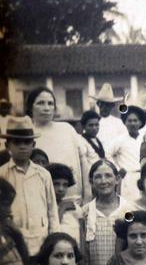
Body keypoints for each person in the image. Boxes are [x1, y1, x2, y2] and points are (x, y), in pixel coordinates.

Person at [0, 116, 60, 256]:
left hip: (41, 244)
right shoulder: (2, 174)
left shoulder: (43, 174)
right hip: (12, 247)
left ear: (33, 145)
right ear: (7, 145)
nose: (22, 146)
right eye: (17, 142)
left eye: (27, 142)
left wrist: (54, 242)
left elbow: (52, 211)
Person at [26, 87, 89, 201]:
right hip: (41, 200)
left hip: (74, 199)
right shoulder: (27, 134)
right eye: (41, 103)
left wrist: (87, 195)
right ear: (30, 107)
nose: (46, 108)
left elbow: (83, 161)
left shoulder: (67, 129)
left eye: (50, 104)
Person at [82, 160, 122, 265]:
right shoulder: (85, 212)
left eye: (108, 176)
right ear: (91, 182)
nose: (104, 181)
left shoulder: (128, 210)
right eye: (98, 177)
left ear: (117, 179)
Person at [107, 101, 146, 200]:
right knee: (129, 206)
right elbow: (107, 154)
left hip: (144, 176)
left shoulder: (145, 138)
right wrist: (118, 168)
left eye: (135, 120)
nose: (132, 123)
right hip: (128, 178)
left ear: (140, 122)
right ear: (125, 122)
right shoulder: (120, 139)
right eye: (129, 120)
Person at [45, 163, 81, 250]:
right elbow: (53, 229)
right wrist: (62, 208)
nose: (61, 189)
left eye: (65, 185)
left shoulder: (73, 206)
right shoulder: (44, 207)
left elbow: (82, 231)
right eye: (56, 184)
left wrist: (82, 255)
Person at [91, 83, 126, 149]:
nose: (104, 107)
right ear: (98, 104)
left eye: (107, 105)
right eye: (102, 104)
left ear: (112, 106)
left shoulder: (119, 123)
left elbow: (123, 143)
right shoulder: (92, 123)